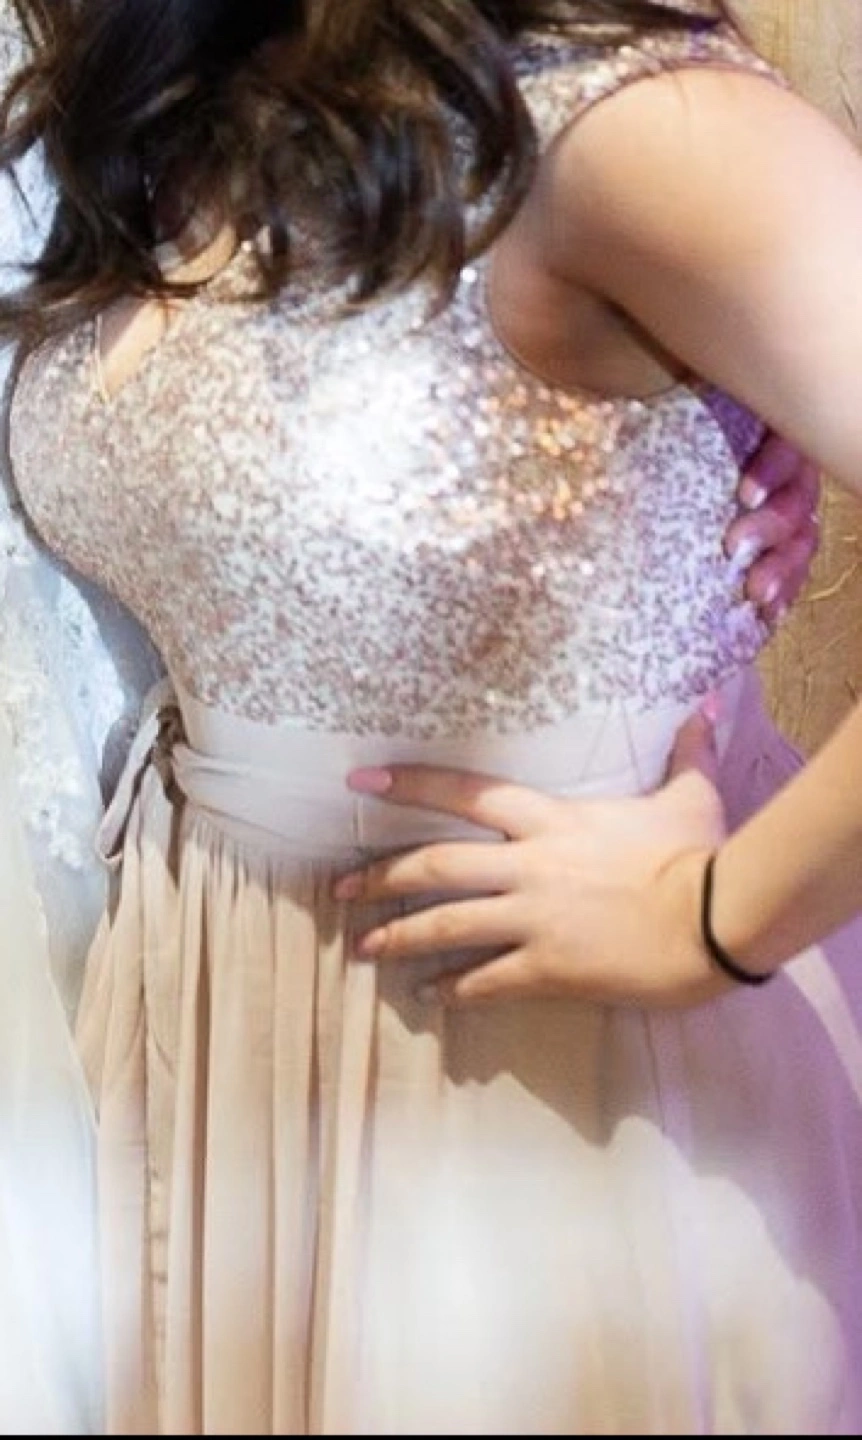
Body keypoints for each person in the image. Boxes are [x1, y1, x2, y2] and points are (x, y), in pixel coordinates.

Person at [0, 0, 857, 1433]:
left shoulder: (615, 117)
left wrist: (714, 915)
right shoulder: (193, 91)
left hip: (548, 1065)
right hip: (229, 1041)